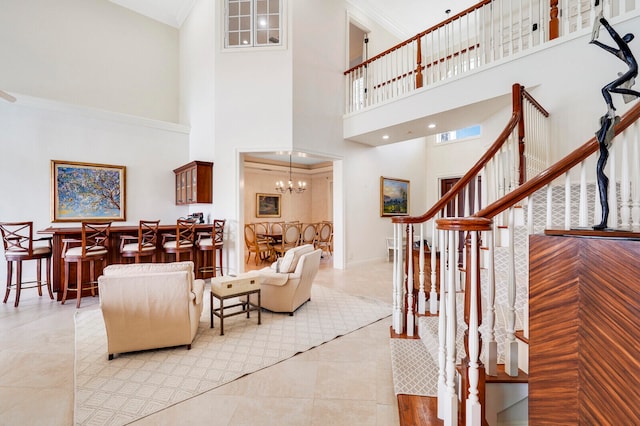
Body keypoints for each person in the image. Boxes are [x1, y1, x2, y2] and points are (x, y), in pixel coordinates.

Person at [590, 14, 639, 229]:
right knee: (606, 89)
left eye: (625, 39)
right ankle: (603, 220)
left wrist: (604, 24)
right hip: (629, 72)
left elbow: (615, 38)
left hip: (632, 71)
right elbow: (610, 48)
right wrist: (596, 41)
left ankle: (617, 104)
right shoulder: (621, 52)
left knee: (606, 89)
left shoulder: (626, 50)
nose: (622, 40)